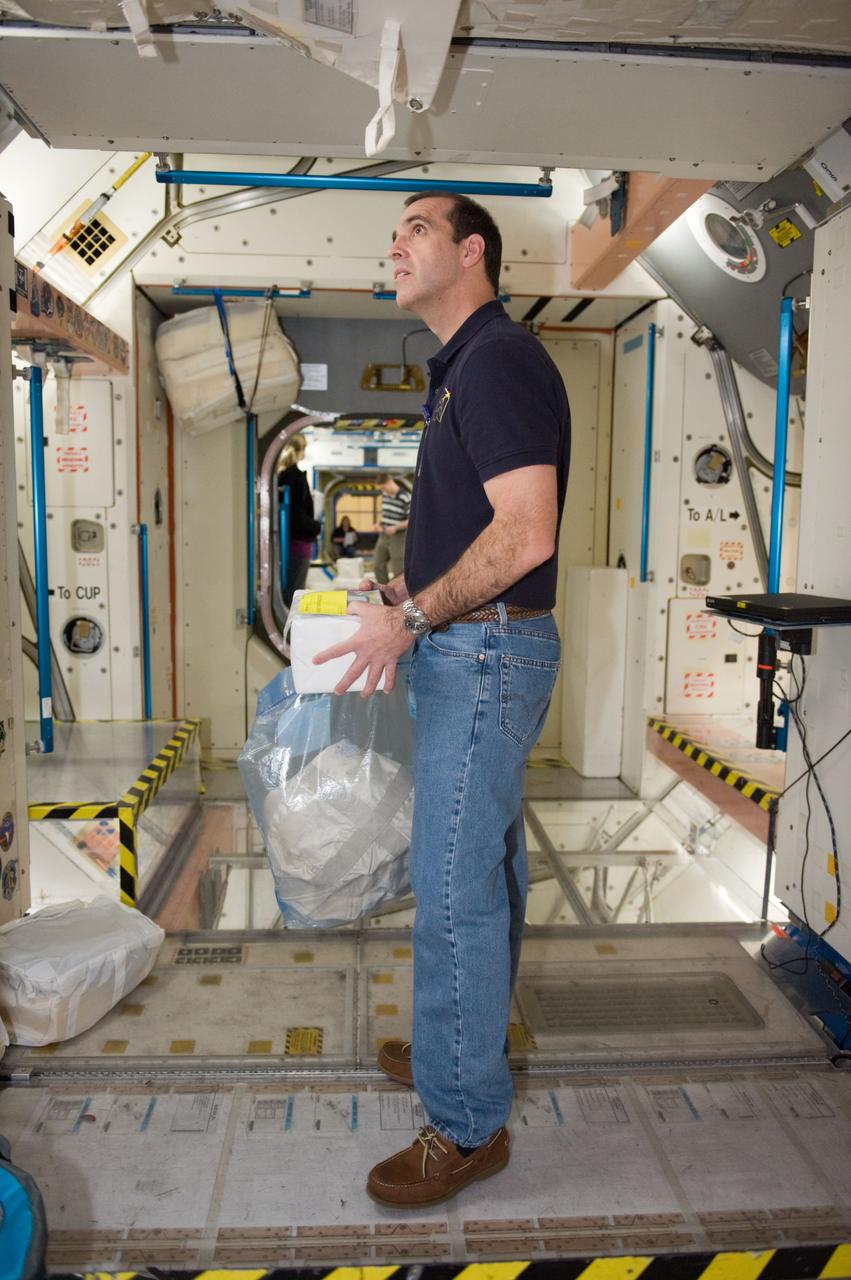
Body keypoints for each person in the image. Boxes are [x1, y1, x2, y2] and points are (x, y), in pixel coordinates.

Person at [314, 192, 571, 1208]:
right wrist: (404, 595)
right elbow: (481, 528)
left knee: (452, 890)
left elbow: (525, 533)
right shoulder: (461, 369)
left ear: (472, 251)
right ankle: (452, 1039)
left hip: (482, 655)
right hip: (472, 649)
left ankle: (463, 1122)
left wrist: (411, 621)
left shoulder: (497, 360)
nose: (394, 244)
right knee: (483, 871)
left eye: (414, 229)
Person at [277, 432, 321, 607]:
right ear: (300, 450)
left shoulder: (281, 476)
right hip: (299, 542)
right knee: (295, 589)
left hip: (285, 542)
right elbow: (298, 514)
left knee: (286, 588)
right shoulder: (297, 477)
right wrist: (316, 526)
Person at [372, 473, 410, 584]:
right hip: (384, 534)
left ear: (390, 482)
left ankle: (399, 592)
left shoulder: (405, 497)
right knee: (378, 564)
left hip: (398, 535)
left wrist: (395, 527)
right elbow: (384, 512)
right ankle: (384, 589)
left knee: (398, 567)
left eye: (383, 487)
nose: (383, 490)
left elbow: (412, 520)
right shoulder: (385, 494)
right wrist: (378, 523)